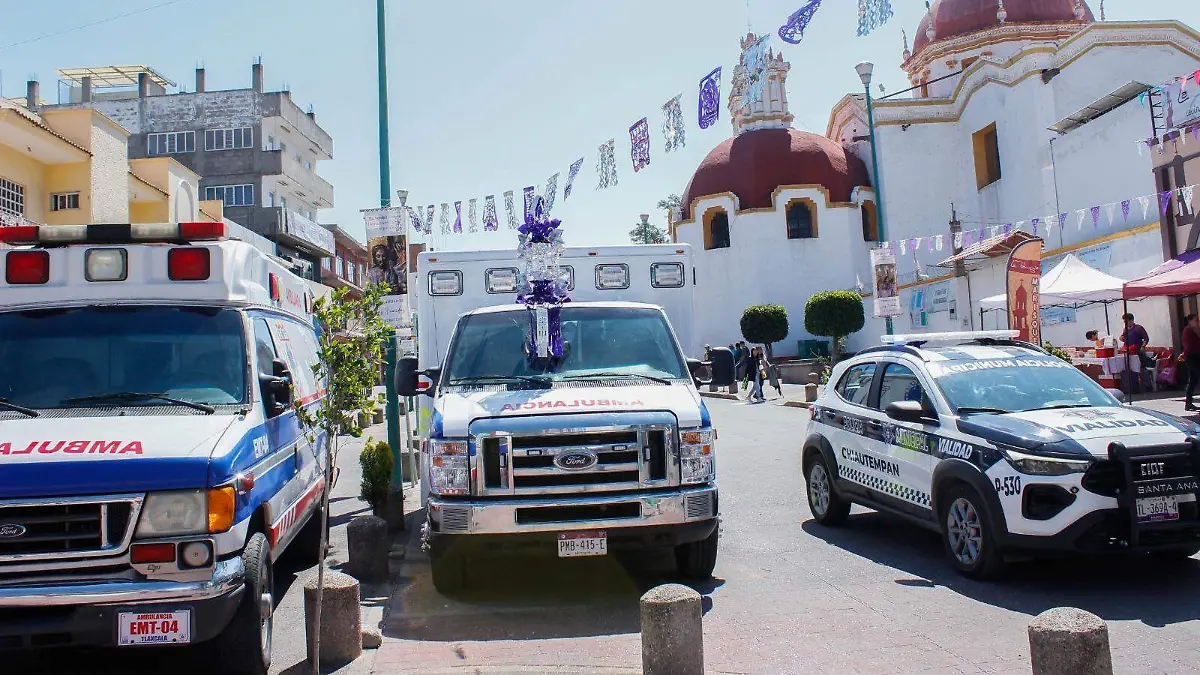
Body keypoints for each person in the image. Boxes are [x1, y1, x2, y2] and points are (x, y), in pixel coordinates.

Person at [1183, 314, 1200, 411]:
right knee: (1193, 379)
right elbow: (1190, 345)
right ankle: (1188, 402)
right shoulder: (1188, 330)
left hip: (1195, 356)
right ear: (1190, 321)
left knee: (1193, 379)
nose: (1197, 322)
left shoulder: (1193, 330)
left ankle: (1188, 403)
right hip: (1192, 357)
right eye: (1195, 320)